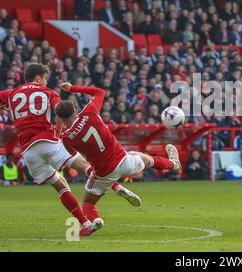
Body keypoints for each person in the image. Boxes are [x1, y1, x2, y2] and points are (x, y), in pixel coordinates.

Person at [55, 82, 181, 233]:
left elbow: (70, 153)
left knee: (88, 204)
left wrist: (61, 129)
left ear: (60, 119)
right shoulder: (89, 112)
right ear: (75, 110)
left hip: (104, 173)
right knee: (147, 159)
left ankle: (96, 220)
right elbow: (100, 91)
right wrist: (72, 88)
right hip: (124, 161)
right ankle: (173, 164)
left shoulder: (67, 138)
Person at [0, 63, 95, 236]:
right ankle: (116, 188)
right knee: (86, 166)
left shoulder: (11, 93)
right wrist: (58, 133)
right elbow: (60, 112)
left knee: (61, 186)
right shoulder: (49, 93)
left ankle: (85, 224)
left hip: (28, 151)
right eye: (45, 78)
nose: (46, 82)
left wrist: (3, 105)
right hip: (47, 140)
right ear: (38, 78)